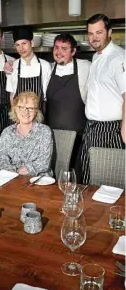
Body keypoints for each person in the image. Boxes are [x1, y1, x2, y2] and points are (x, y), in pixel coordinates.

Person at [81, 13, 125, 184]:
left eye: (99, 32)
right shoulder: (96, 56)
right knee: (88, 177)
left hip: (111, 130)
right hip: (92, 128)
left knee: (109, 182)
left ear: (109, 32)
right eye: (91, 34)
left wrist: (124, 130)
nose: (94, 38)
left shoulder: (119, 57)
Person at [46, 33, 91, 182]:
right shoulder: (48, 69)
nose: (59, 52)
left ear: (73, 52)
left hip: (78, 137)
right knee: (53, 177)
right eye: (56, 48)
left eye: (64, 49)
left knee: (76, 177)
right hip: (53, 138)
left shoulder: (86, 67)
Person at [0, 91, 53, 176]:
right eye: (21, 107)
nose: (26, 112)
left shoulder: (45, 131)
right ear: (15, 109)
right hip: (12, 178)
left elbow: (43, 163)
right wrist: (13, 172)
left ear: (36, 111)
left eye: (30, 108)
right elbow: (0, 158)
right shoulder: (7, 132)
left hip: (39, 180)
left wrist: (23, 171)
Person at [6, 26, 51, 111]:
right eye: (17, 45)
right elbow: (12, 97)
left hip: (39, 118)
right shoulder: (12, 67)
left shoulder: (45, 66)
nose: (21, 48)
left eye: (24, 43)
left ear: (32, 43)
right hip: (19, 119)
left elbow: (46, 98)